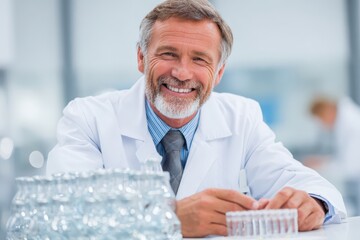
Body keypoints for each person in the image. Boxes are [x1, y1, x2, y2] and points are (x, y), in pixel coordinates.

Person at [47, 0, 347, 237]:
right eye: (168, 54)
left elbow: (300, 180)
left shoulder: (241, 117)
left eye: (199, 59)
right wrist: (169, 217)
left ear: (218, 73)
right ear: (141, 58)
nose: (182, 73)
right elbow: (61, 213)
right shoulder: (88, 118)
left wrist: (314, 203)